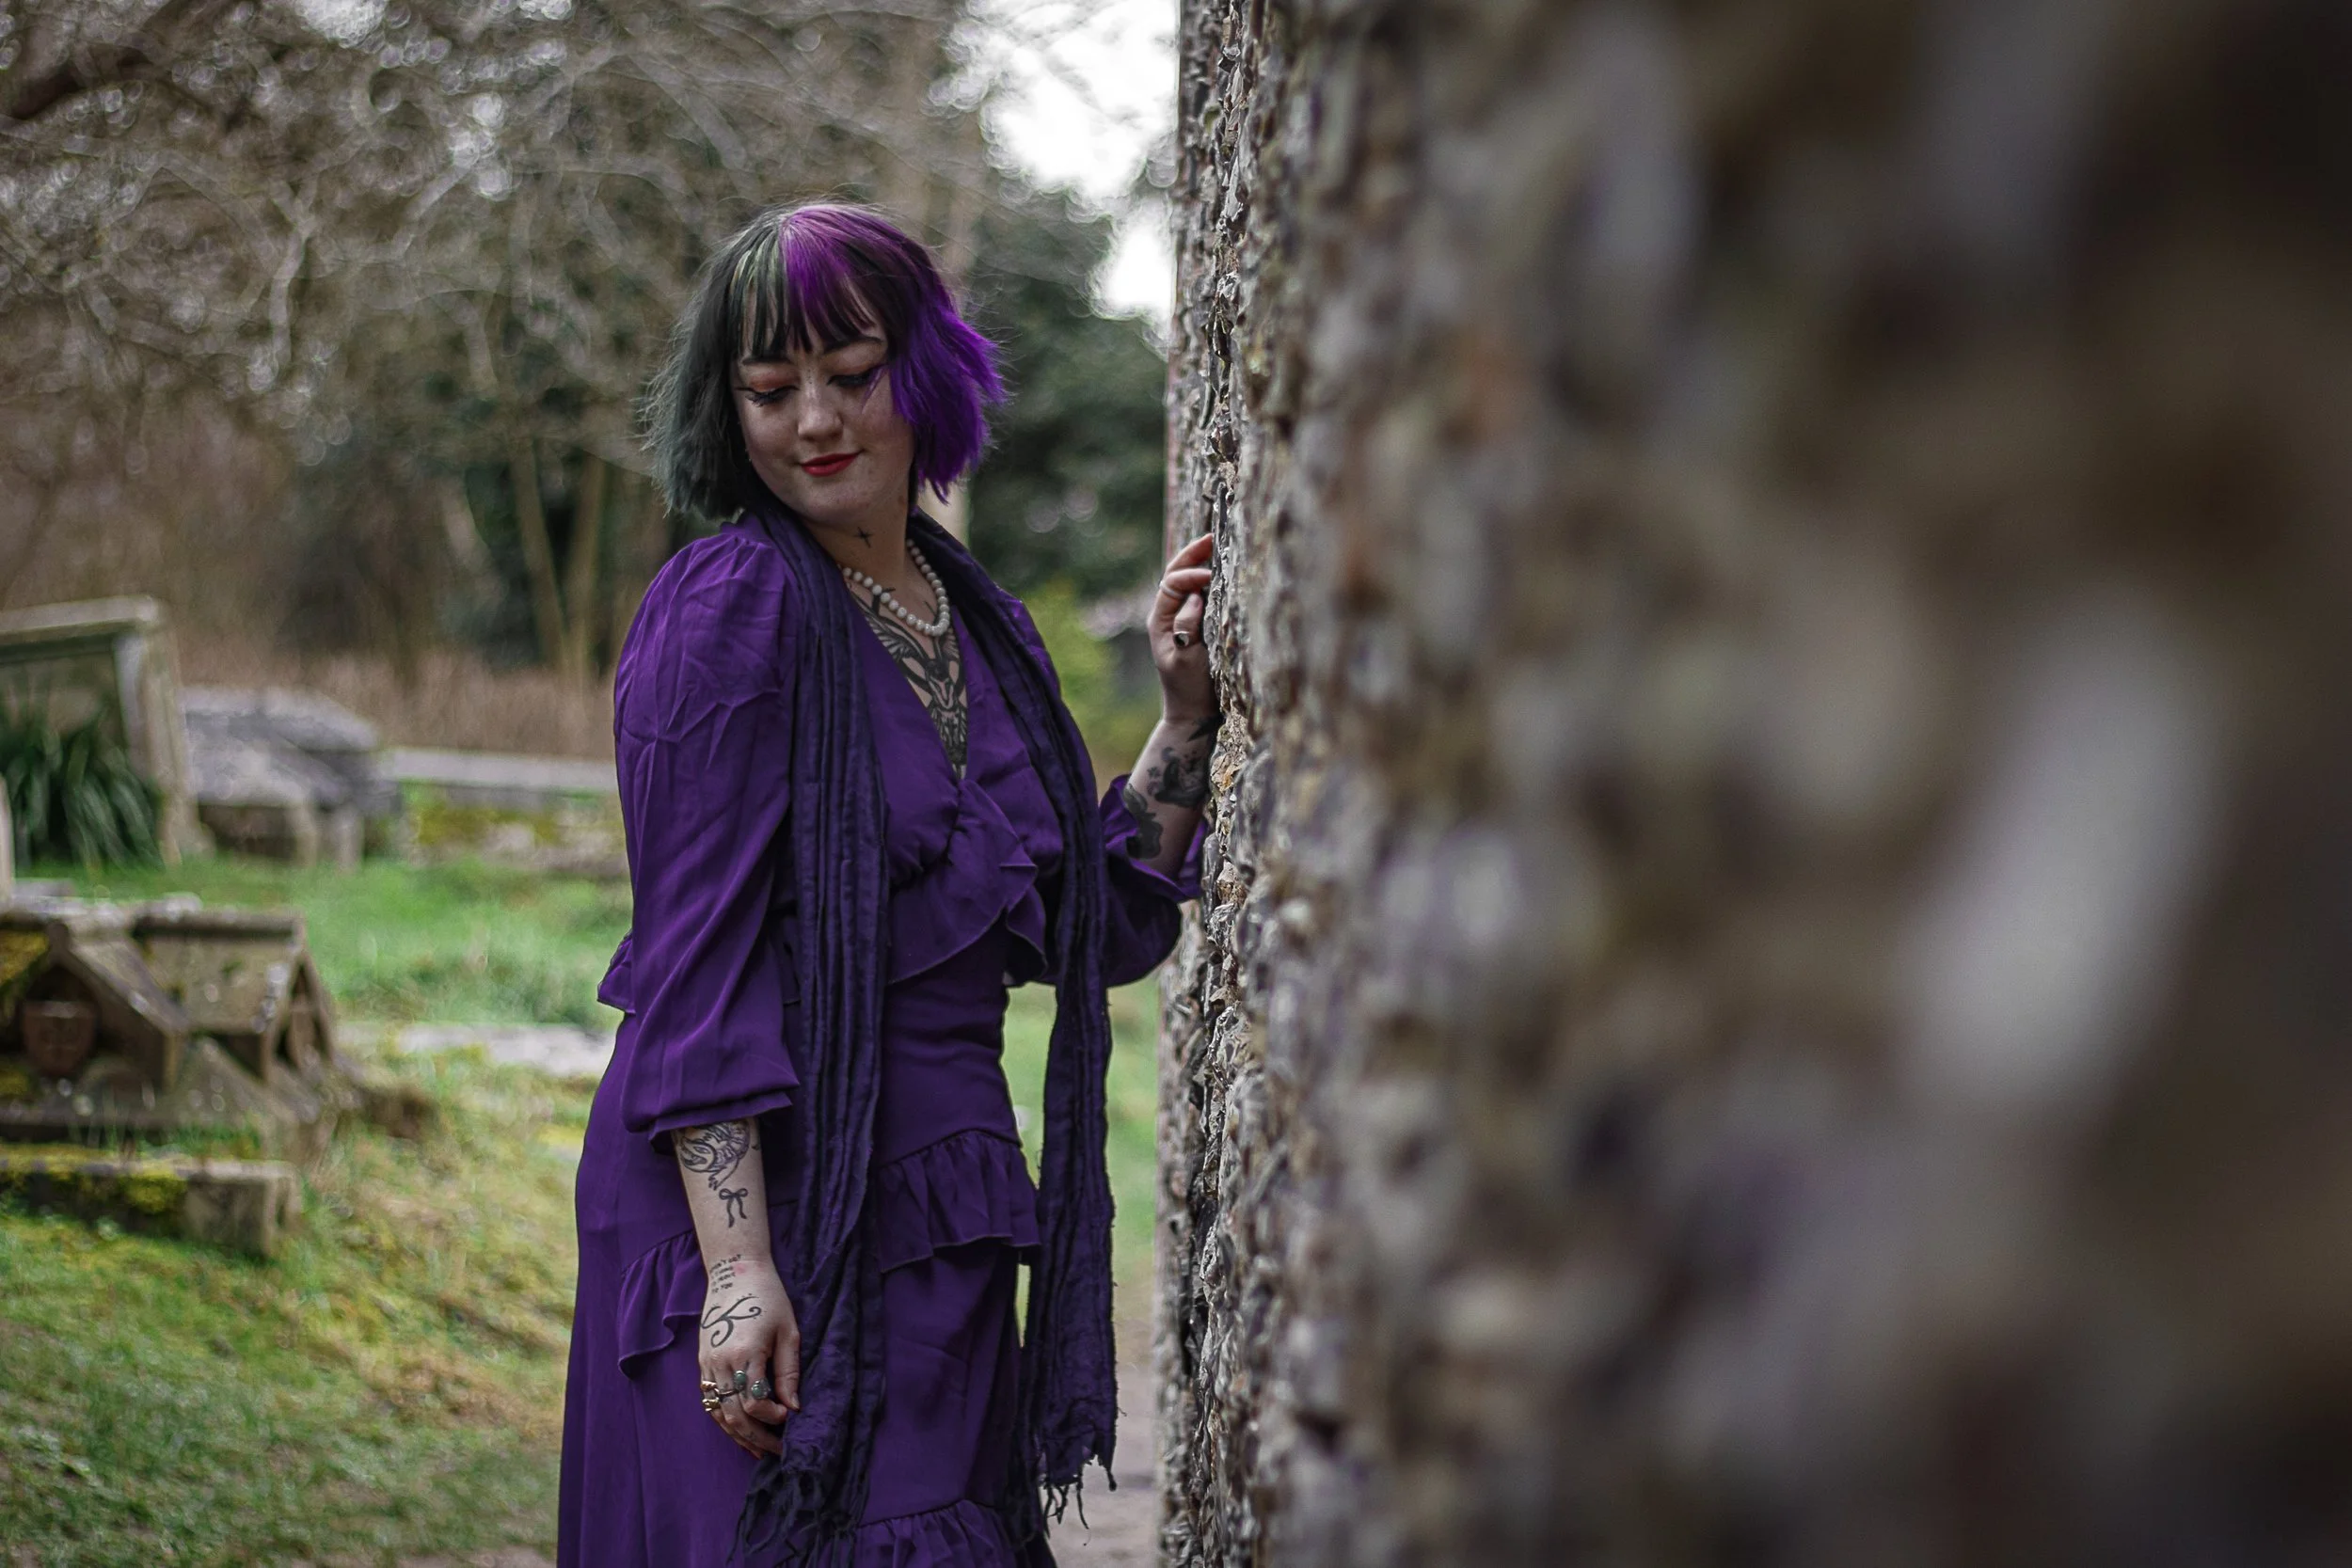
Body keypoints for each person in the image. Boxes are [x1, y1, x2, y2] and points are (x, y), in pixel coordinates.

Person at [556, 202, 1216, 1568]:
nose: (814, 421)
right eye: (769, 389)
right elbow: (696, 966)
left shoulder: (982, 623)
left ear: (925, 375)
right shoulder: (727, 608)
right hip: (757, 1201)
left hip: (941, 1201)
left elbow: (1083, 926)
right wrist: (739, 1270)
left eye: (852, 375)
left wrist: (1186, 725)